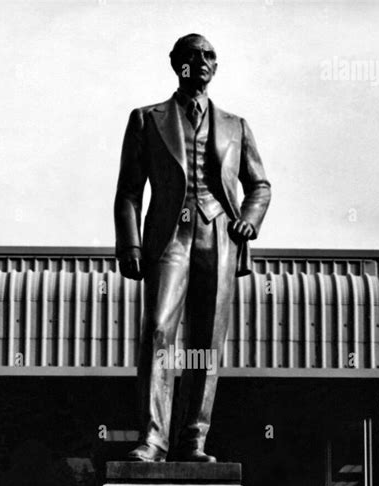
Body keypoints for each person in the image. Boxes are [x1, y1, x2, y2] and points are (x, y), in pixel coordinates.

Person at [115, 33, 271, 462]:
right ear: (176, 63)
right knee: (158, 330)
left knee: (207, 341)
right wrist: (129, 244)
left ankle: (193, 440)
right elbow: (129, 191)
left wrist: (249, 220)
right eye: (193, 55)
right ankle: (153, 438)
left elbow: (259, 185)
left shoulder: (236, 126)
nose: (201, 62)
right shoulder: (147, 119)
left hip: (218, 236)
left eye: (210, 56)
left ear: (215, 68)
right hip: (169, 238)